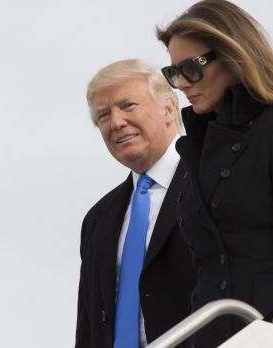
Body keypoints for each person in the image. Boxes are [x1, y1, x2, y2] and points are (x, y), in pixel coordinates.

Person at [155, 0, 273, 346]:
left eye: (191, 68)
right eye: (173, 73)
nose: (182, 84)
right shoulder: (198, 145)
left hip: (269, 332)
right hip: (206, 335)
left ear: (233, 55)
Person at [75, 59, 195, 348]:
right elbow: (88, 325)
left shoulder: (208, 185)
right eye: (103, 116)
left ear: (168, 109)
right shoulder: (98, 218)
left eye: (128, 106)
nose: (116, 122)